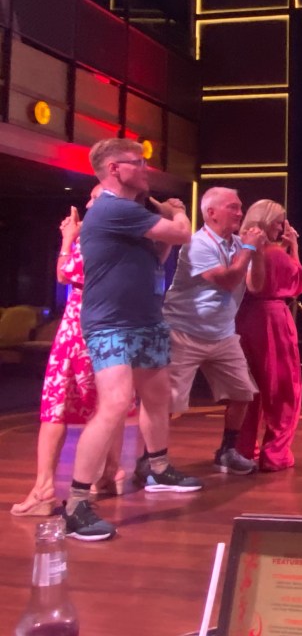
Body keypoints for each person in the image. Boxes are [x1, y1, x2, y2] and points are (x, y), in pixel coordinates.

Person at [62, 138, 202, 542]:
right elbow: (183, 233)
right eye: (137, 163)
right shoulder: (112, 209)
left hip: (144, 319)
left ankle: (158, 468)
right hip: (110, 324)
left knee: (156, 397)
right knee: (114, 404)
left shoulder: (129, 213)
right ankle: (76, 505)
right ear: (114, 170)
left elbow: (154, 257)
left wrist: (160, 213)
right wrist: (175, 210)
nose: (145, 169)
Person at [11, 187, 126, 517]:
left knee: (56, 406)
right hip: (111, 327)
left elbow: (66, 273)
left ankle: (44, 489)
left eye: (94, 198)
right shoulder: (125, 236)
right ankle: (111, 472)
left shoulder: (96, 237)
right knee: (106, 405)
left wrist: (67, 239)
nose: (88, 204)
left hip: (80, 328)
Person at [162, 187, 266, 476]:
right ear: (211, 213)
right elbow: (228, 281)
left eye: (240, 207)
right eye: (233, 207)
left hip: (223, 334)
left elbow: (256, 286)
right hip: (183, 332)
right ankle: (152, 460)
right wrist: (249, 249)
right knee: (168, 401)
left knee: (242, 393)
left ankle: (227, 451)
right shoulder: (197, 244)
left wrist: (256, 253)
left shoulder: (238, 244)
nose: (240, 213)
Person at [235, 199, 302, 472]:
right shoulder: (274, 254)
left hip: (244, 320)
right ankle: (275, 453)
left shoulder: (241, 248)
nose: (281, 226)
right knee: (283, 389)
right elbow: (295, 283)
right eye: (279, 221)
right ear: (266, 221)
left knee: (249, 389)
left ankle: (243, 450)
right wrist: (294, 247)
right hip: (273, 321)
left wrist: (283, 248)